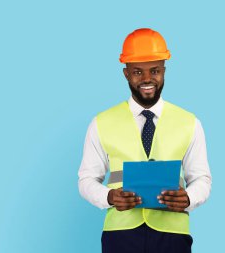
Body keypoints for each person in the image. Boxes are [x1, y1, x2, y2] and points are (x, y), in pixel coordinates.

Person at [78, 28, 212, 253]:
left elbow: (202, 179)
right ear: (126, 74)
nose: (148, 79)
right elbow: (86, 179)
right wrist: (109, 196)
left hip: (173, 235)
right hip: (120, 234)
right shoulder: (101, 122)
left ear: (164, 71)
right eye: (138, 71)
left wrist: (188, 198)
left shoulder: (190, 122)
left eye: (155, 70)